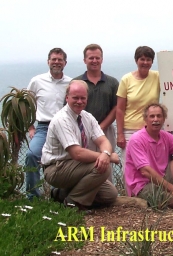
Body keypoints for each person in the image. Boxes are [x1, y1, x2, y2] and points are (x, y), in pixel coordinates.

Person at [42, 80, 119, 211]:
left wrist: (105, 154)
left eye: (83, 98)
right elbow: (77, 153)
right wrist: (109, 157)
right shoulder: (61, 119)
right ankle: (73, 203)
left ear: (87, 99)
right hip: (57, 168)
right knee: (104, 168)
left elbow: (103, 141)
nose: (79, 101)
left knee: (110, 195)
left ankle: (60, 195)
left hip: (77, 168)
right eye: (75, 98)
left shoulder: (87, 117)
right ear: (67, 98)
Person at [124, 103, 173, 209]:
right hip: (143, 185)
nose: (155, 119)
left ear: (163, 119)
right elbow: (145, 171)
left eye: (159, 116)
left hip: (161, 179)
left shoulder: (164, 136)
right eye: (152, 116)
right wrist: (172, 189)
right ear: (146, 119)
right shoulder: (136, 139)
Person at [25, 48, 72, 200]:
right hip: (44, 127)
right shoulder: (37, 81)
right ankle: (33, 197)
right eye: (54, 59)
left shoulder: (70, 83)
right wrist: (30, 127)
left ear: (65, 63)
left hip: (64, 127)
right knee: (32, 155)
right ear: (48, 61)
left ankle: (57, 197)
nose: (57, 62)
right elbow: (27, 105)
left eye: (60, 59)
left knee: (63, 160)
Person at [116, 46, 160, 189]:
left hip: (150, 130)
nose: (145, 62)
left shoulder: (157, 76)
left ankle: (151, 196)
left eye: (148, 59)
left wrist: (169, 57)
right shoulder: (126, 80)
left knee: (150, 166)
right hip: (130, 130)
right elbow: (120, 109)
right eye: (142, 59)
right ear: (136, 60)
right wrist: (120, 133)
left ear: (152, 62)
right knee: (130, 166)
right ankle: (131, 198)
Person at [74, 44, 119, 182]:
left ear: (102, 59)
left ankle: (108, 195)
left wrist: (102, 126)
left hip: (106, 130)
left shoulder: (112, 82)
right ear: (84, 60)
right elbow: (71, 108)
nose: (94, 60)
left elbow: (117, 107)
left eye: (97, 58)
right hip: (81, 129)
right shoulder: (77, 82)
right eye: (91, 58)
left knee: (106, 161)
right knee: (85, 163)